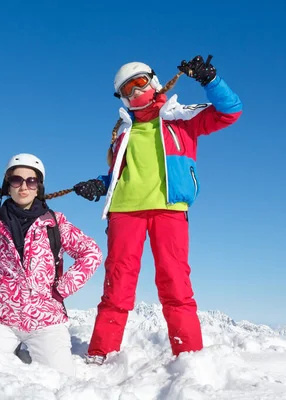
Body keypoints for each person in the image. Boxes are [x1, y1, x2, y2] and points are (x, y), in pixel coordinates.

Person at [73, 55, 243, 364]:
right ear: (122, 98)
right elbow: (118, 175)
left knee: (175, 283)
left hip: (169, 210)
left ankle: (189, 357)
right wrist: (100, 185)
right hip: (124, 213)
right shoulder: (122, 133)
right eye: (127, 90)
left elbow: (230, 112)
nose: (135, 93)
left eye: (139, 83)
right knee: (117, 285)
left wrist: (210, 80)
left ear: (152, 80)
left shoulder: (179, 119)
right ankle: (100, 354)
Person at [0, 154, 102, 375]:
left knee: (61, 380)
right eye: (16, 180)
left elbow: (91, 253)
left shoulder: (55, 223)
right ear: (7, 185)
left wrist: (61, 291)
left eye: (31, 181)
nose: (23, 186)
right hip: (2, 318)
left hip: (47, 321)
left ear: (38, 186)